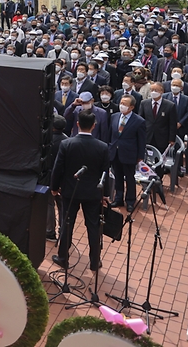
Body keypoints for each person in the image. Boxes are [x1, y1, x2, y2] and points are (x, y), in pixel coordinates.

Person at [50, 109, 111, 271]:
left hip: (70, 192)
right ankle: (94, 261)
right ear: (93, 126)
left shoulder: (67, 144)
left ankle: (63, 258)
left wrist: (54, 188)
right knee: (93, 227)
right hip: (93, 193)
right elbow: (106, 173)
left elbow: (58, 169)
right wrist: (105, 194)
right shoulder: (103, 147)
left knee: (67, 224)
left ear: (77, 124)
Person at [109, 95, 148, 212]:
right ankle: (118, 198)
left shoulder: (139, 121)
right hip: (115, 152)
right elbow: (111, 134)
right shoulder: (114, 117)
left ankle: (130, 201)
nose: (122, 106)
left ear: (131, 107)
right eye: (121, 103)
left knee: (130, 179)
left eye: (125, 104)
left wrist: (140, 156)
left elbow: (141, 141)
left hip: (129, 154)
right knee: (118, 177)